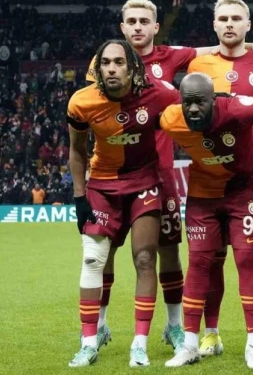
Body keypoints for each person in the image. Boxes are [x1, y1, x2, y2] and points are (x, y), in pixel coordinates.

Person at [84, 0, 253, 352]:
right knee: (106, 252)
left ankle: (177, 326)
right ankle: (99, 326)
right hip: (117, 176)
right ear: (122, 27)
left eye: (145, 21)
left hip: (168, 174)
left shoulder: (172, 57)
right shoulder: (105, 63)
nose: (139, 27)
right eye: (132, 21)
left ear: (156, 27)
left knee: (172, 249)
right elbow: (92, 109)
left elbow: (220, 45)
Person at [161, 73, 253, 368]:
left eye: (200, 102)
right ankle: (190, 345)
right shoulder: (170, 118)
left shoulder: (236, 109)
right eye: (187, 102)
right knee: (198, 263)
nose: (193, 109)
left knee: (247, 259)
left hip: (243, 192)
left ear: (214, 99)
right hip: (202, 195)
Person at [67, 39, 180, 367]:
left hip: (144, 183)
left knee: (145, 258)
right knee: (93, 260)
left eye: (119, 62)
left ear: (132, 68)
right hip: (102, 186)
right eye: (105, 63)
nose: (112, 69)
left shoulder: (159, 94)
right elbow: (76, 150)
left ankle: (139, 344)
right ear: (98, 68)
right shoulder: (82, 102)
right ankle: (89, 342)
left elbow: (194, 103)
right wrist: (79, 197)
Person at [186, 0, 253, 359]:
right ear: (214, 25)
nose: (229, 23)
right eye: (223, 18)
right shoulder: (198, 65)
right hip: (211, 177)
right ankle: (211, 333)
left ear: (248, 24)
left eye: (236, 18)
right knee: (211, 256)